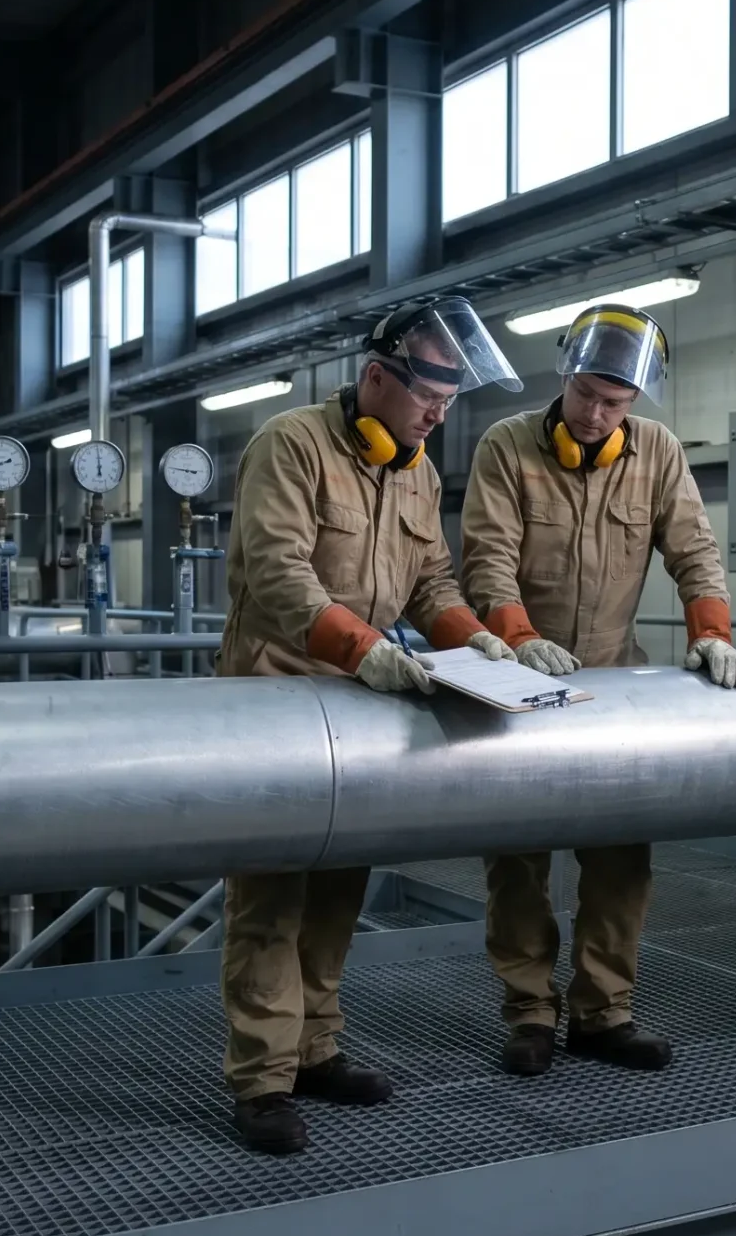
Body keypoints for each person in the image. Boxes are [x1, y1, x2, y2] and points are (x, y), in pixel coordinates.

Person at [215, 294, 523, 1154]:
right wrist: (365, 649)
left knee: (340, 889)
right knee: (272, 900)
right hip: (274, 701)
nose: (438, 413)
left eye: (452, 400)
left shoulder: (417, 469)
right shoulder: (292, 445)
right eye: (429, 394)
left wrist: (488, 643)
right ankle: (263, 1080)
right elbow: (277, 575)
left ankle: (316, 1050)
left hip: (356, 707)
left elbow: (432, 583)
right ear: (377, 377)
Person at [459, 303, 736, 1077]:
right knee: (517, 862)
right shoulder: (507, 447)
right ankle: (527, 1012)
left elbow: (695, 549)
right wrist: (520, 639)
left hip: (615, 685)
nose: (594, 414)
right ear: (565, 376)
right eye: (587, 394)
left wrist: (712, 632)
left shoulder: (656, 452)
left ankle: (603, 1012)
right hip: (516, 688)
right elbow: (486, 559)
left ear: (636, 405)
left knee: (621, 860)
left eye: (614, 403)